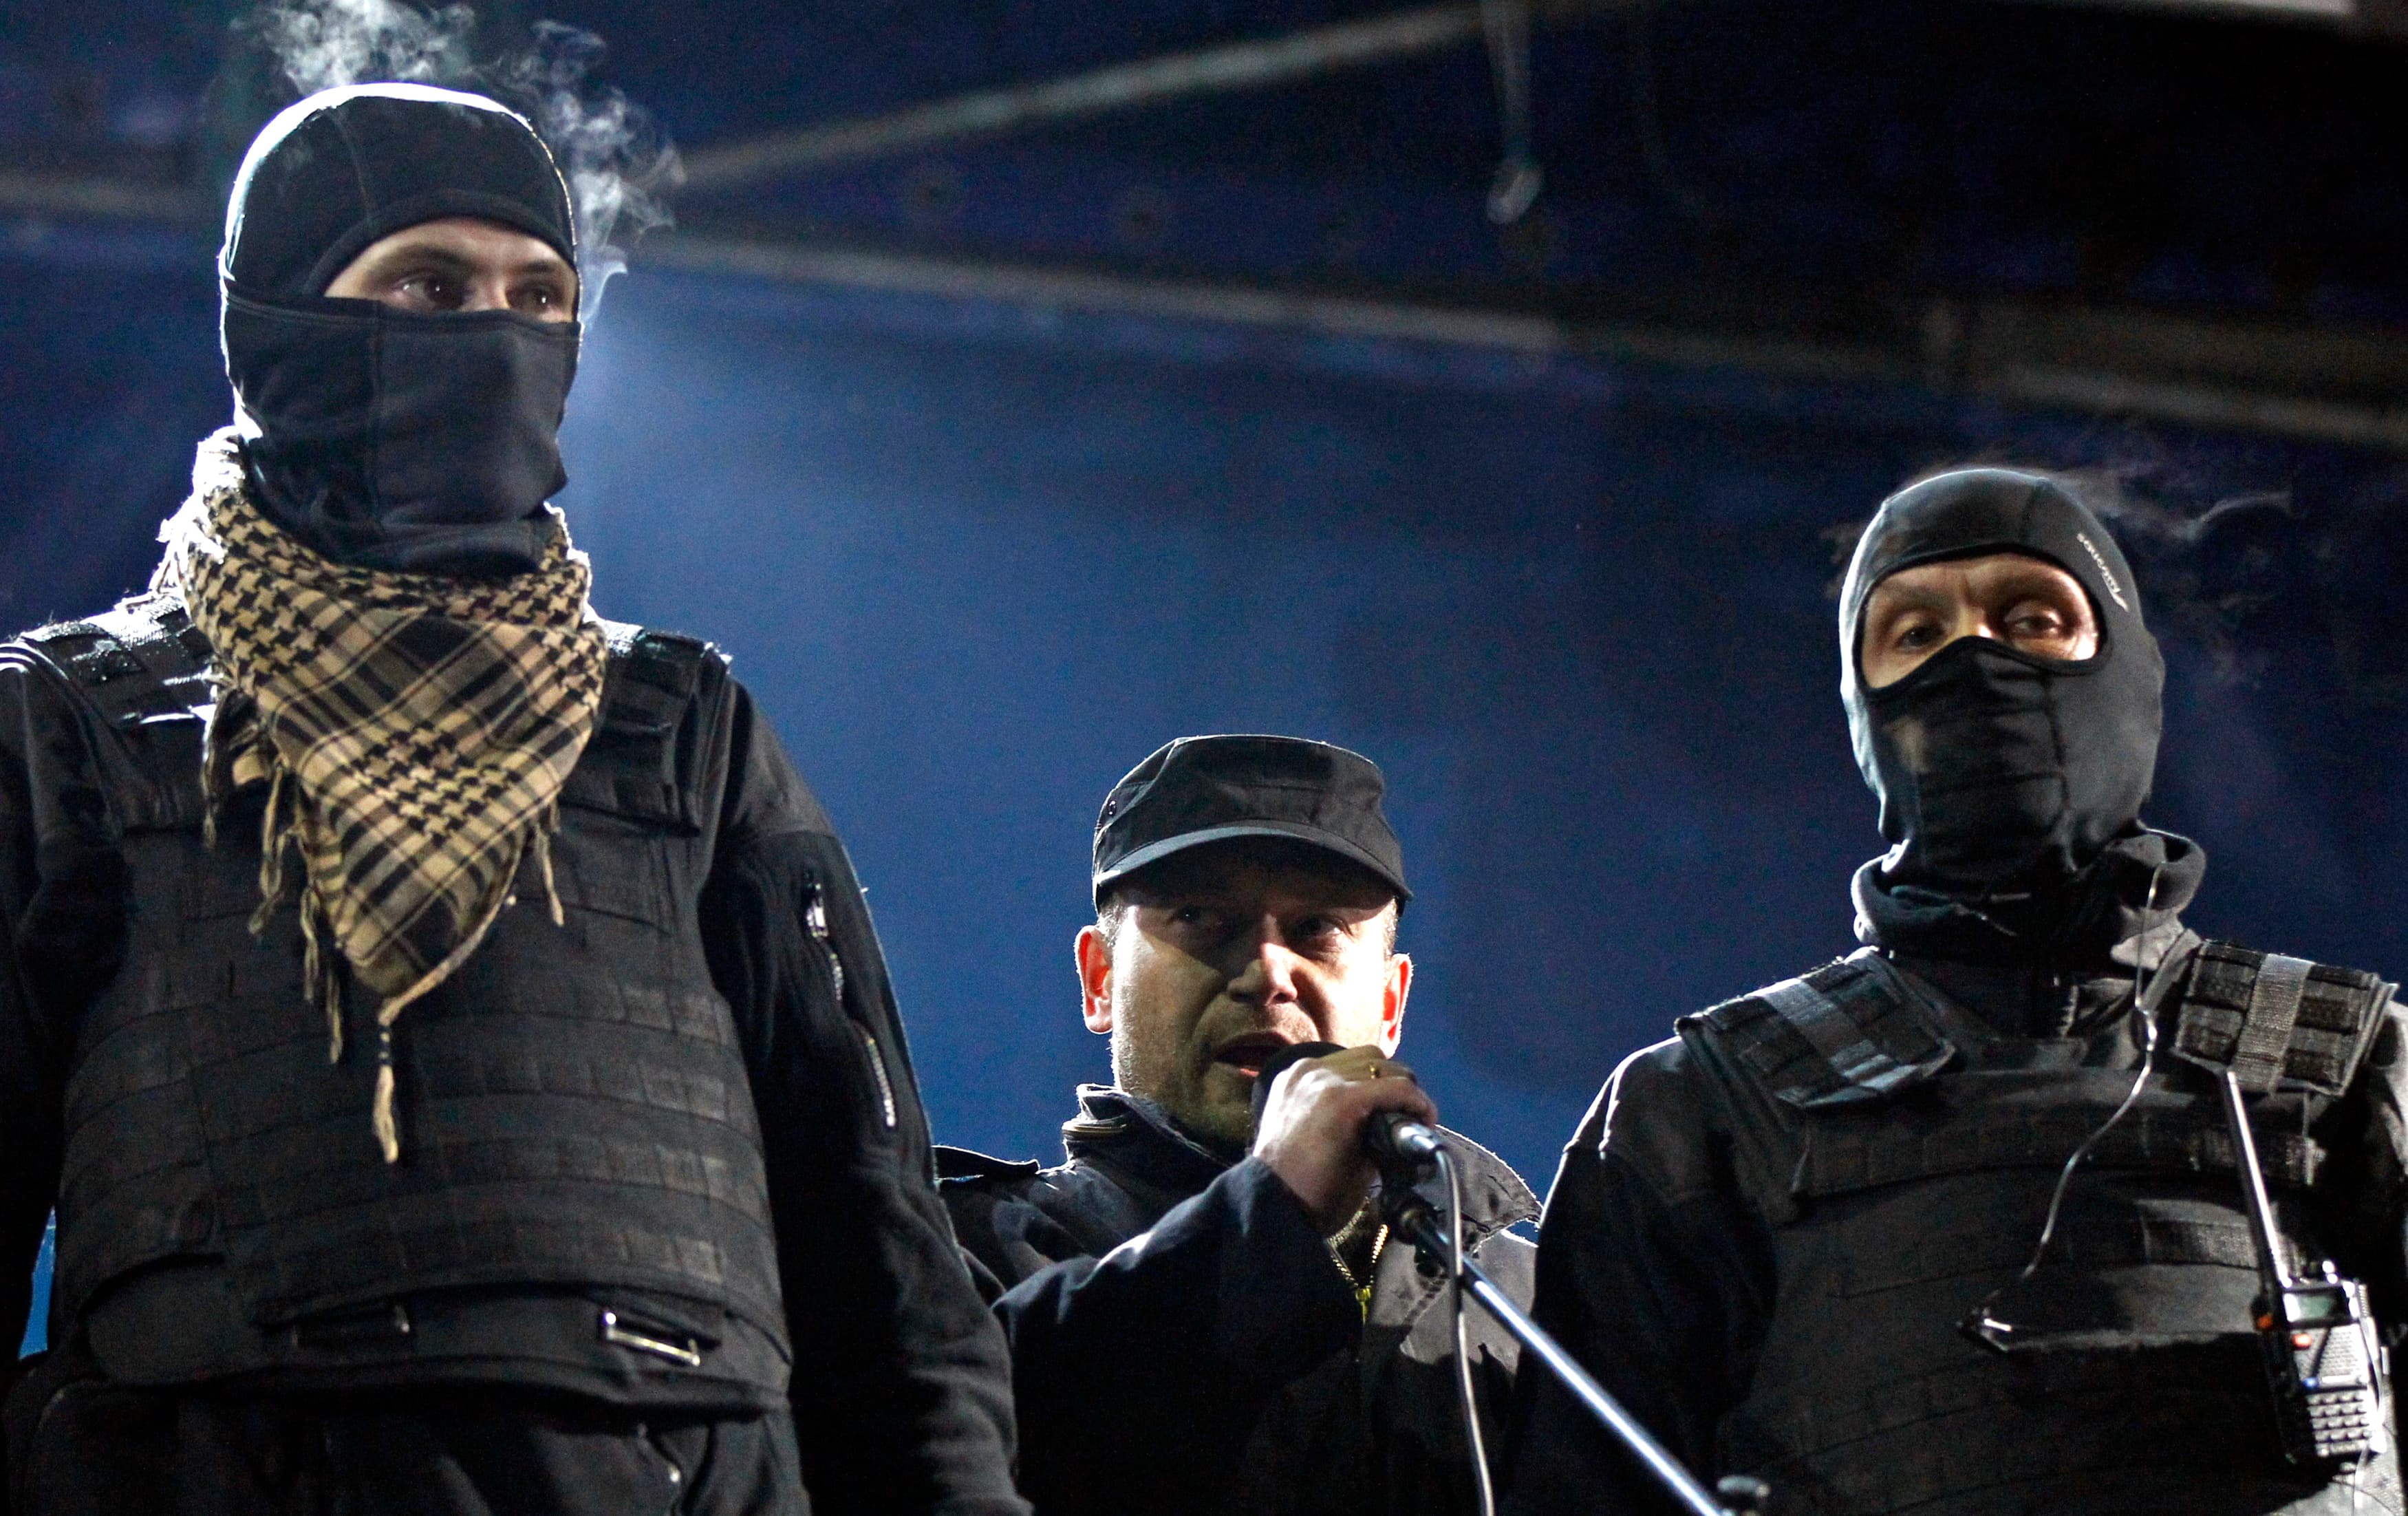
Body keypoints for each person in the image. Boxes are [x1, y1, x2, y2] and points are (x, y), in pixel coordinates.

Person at [0, 83, 1026, 1516]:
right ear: (280, 322)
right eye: (429, 285)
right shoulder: (82, 723)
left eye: (538, 296)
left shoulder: (684, 728)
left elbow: (875, 1237)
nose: (493, 334)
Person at [1504, 467, 2408, 1515]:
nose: (1975, 660)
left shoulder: (2361, 1063)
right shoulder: (1697, 1109)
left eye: (2033, 618)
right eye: (1918, 634)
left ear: (2126, 674)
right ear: (1864, 711)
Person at [939, 734, 1538, 1516]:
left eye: (1318, 928)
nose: (1267, 970)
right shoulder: (961, 1257)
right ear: (1099, 981)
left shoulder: (1529, 1302)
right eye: (1201, 917)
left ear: (1391, 1003)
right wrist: (1271, 1212)